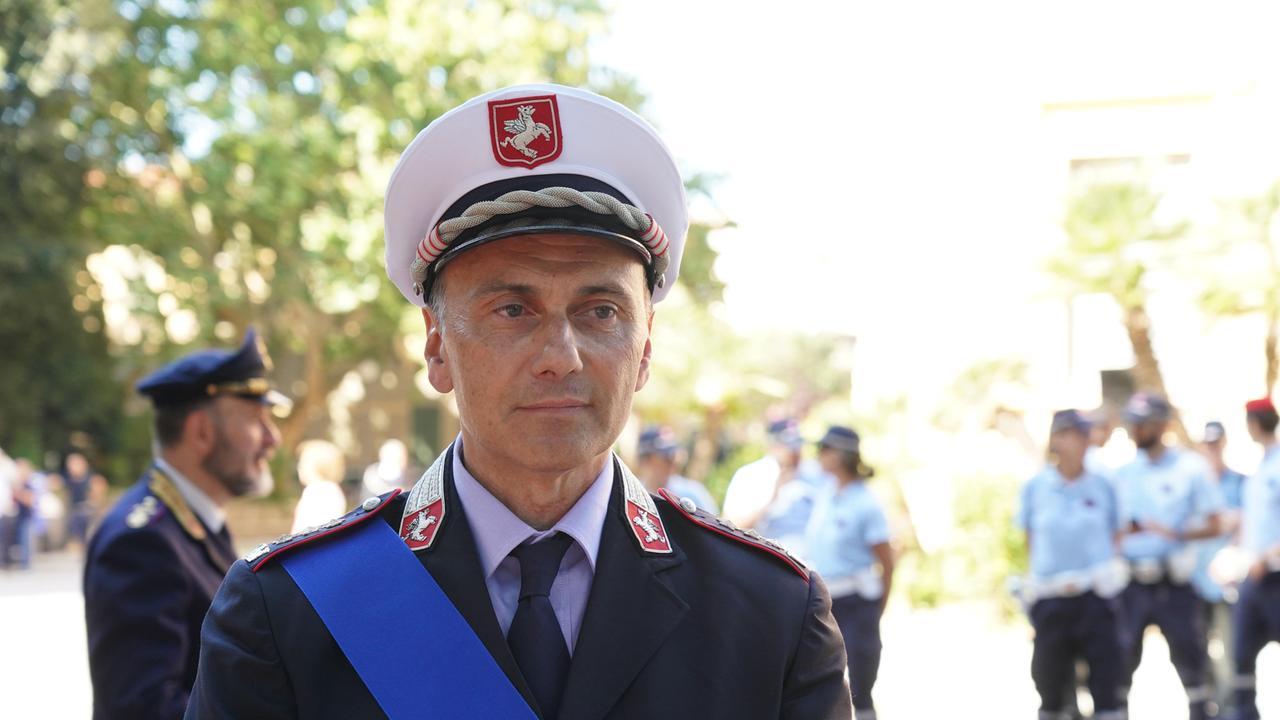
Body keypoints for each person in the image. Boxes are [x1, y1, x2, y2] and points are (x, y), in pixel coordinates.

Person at [186, 84, 852, 720]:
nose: (560, 355)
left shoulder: (770, 611)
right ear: (438, 348)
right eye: (512, 309)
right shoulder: (289, 610)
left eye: (600, 310)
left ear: (644, 350)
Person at [83, 328, 285, 720]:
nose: (272, 438)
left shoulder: (191, 522)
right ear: (201, 432)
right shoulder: (140, 542)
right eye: (256, 420)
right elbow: (142, 710)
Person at [1113, 392, 1224, 720]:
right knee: (1119, 662)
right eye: (1132, 423)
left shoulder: (1190, 468)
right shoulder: (1123, 473)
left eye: (1143, 423)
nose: (1136, 430)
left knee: (1192, 662)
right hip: (1132, 581)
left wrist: (1174, 533)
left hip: (1174, 581)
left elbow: (1215, 522)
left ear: (1162, 425)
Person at [1016, 410, 1126, 720]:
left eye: (1082, 435)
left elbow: (1117, 531)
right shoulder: (1036, 487)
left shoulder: (1104, 483)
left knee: (1107, 683)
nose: (1078, 443)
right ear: (1056, 440)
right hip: (1052, 599)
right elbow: (1030, 538)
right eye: (1071, 435)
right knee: (1050, 685)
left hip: (1095, 597)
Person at [804, 425, 894, 720]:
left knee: (860, 683)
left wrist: (877, 608)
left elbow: (887, 560)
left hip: (856, 601)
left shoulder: (865, 503)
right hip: (826, 602)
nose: (819, 456)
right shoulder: (826, 493)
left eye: (825, 450)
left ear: (841, 455)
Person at [1227, 398, 1280, 720]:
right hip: (1255, 575)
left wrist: (1269, 555)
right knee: (1242, 653)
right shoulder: (1261, 467)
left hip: (1275, 572)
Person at [1194, 420, 1246, 716]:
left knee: (1229, 650)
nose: (1211, 449)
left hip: (1226, 580)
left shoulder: (1237, 481)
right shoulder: (1194, 482)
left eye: (1216, 443)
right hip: (1195, 578)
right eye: (1207, 444)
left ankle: (1229, 708)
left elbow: (1242, 523)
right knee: (1199, 651)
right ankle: (1211, 703)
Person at [723, 418, 815, 552]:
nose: (796, 452)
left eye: (798, 445)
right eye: (789, 446)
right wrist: (772, 499)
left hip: (810, 563)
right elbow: (730, 525)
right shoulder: (751, 474)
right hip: (767, 556)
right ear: (773, 446)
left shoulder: (813, 473)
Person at [634, 425, 718, 513]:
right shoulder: (632, 493)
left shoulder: (692, 494)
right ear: (647, 459)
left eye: (673, 455)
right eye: (666, 457)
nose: (673, 462)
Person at [291, 439, 349, 534]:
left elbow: (306, 528)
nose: (298, 467)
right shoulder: (331, 489)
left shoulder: (317, 491)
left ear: (318, 466)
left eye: (302, 463)